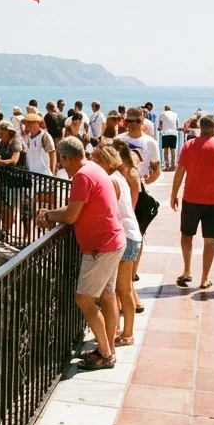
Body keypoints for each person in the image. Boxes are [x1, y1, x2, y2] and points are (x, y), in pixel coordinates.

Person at [36, 137, 125, 370]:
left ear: (66, 158)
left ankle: (106, 355)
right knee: (106, 294)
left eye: (62, 161)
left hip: (101, 247)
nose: (61, 166)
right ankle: (108, 349)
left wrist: (47, 215)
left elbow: (71, 216)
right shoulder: (93, 168)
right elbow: (75, 209)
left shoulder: (82, 177)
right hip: (114, 240)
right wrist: (52, 213)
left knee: (83, 299)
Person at [171, 115, 214, 289]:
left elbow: (180, 173)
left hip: (190, 199)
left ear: (200, 128)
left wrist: (173, 194)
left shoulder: (188, 146)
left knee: (186, 235)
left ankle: (186, 271)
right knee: (209, 240)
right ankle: (204, 278)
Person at [96, 142, 141, 346]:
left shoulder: (111, 180)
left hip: (125, 235)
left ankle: (125, 334)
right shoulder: (119, 177)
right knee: (125, 288)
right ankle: (123, 331)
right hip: (132, 234)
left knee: (120, 289)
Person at [159, 104, 180, 170]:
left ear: (165, 109)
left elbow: (160, 124)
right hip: (173, 133)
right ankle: (173, 165)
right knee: (173, 149)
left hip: (165, 133)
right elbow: (177, 124)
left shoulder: (162, 114)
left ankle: (167, 165)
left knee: (165, 149)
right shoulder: (175, 114)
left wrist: (160, 128)